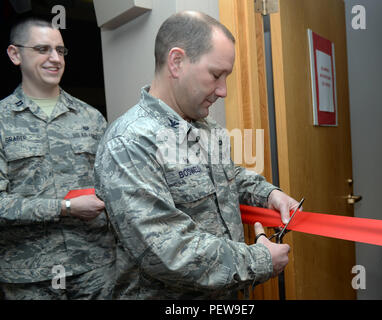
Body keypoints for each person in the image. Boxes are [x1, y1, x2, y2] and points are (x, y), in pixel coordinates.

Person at [94, 11, 298, 299]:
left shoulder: (204, 126)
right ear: (176, 62)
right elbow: (167, 250)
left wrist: (267, 194)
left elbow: (227, 176)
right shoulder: (129, 142)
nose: (223, 90)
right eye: (216, 75)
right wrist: (259, 261)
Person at [0, 17, 115, 299]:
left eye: (60, 51)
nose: (55, 59)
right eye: (42, 49)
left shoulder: (91, 118)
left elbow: (114, 186)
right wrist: (64, 207)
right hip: (30, 274)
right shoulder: (2, 120)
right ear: (15, 54)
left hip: (94, 267)